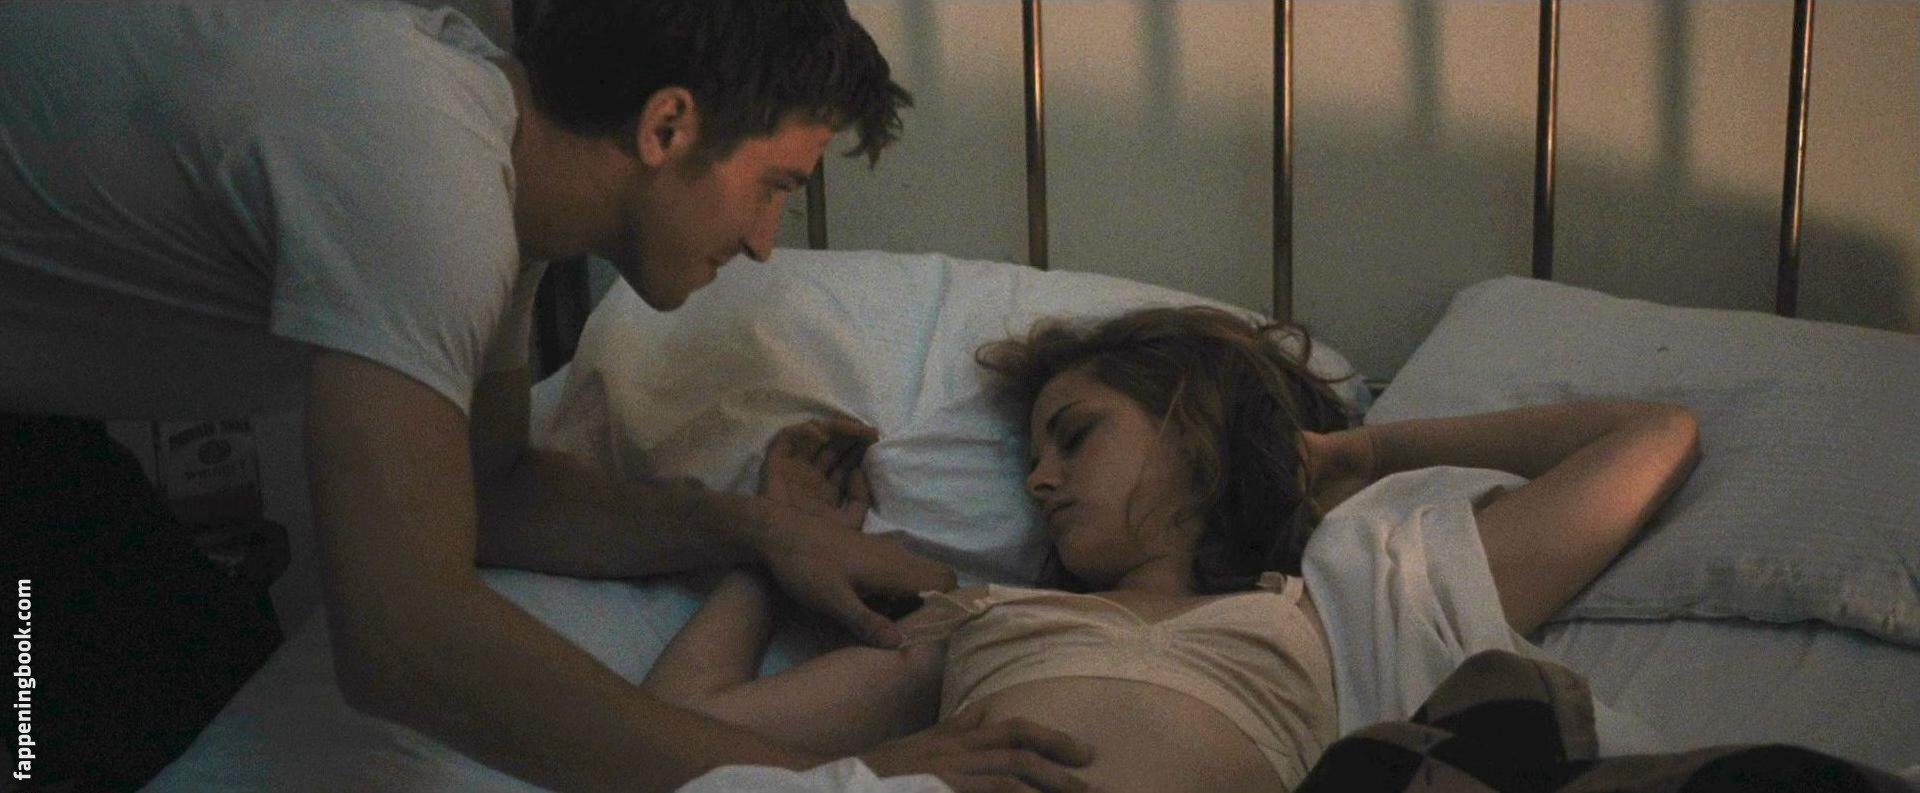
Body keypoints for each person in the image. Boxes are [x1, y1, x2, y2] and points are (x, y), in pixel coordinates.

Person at [0, 2, 1094, 791]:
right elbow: (406, 638)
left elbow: (492, 489)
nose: (767, 242)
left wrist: (761, 530)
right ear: (667, 127)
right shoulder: (422, 180)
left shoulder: (486, 178)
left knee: (151, 687)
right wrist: (822, 781)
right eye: (773, 187)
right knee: (50, 731)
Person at [642, 305, 1702, 792]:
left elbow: (1649, 441)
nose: (1039, 480)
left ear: (1197, 427)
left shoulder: (1334, 604)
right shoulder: (985, 619)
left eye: (1077, 436)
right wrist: (780, 542)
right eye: (1033, 455)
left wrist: (1363, 448)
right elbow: (675, 734)